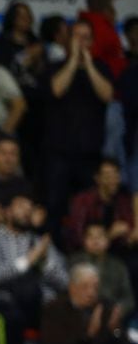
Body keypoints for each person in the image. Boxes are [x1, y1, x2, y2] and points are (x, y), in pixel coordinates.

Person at [0, 192, 68, 344]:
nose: (25, 212)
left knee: (60, 313)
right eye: (20, 207)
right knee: (12, 319)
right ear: (7, 212)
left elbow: (65, 281)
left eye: (29, 208)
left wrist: (45, 263)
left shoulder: (40, 243)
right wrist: (27, 261)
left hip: (35, 301)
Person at [42, 18, 115, 233]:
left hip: (89, 154)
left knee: (90, 209)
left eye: (86, 38)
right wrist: (73, 60)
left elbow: (107, 94)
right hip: (59, 152)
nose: (81, 42)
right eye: (77, 37)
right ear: (68, 40)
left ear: (92, 42)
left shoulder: (101, 68)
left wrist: (89, 64)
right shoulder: (55, 66)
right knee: (54, 207)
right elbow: (56, 89)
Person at [41, 264, 138, 344]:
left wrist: (115, 329)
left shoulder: (106, 308)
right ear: (72, 287)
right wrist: (87, 335)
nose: (91, 293)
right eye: (85, 287)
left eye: (95, 287)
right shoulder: (55, 309)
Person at [63, 159, 135, 254]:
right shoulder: (83, 201)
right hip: (86, 255)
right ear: (97, 178)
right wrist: (109, 235)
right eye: (108, 176)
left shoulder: (122, 201)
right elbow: (76, 238)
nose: (113, 180)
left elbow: (128, 230)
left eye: (116, 175)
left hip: (116, 254)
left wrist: (128, 237)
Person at [70, 223, 135, 319]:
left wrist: (119, 311)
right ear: (84, 241)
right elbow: (67, 293)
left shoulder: (118, 265)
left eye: (100, 236)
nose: (95, 241)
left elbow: (128, 298)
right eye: (90, 237)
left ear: (107, 241)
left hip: (110, 315)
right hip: (79, 316)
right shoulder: (74, 262)